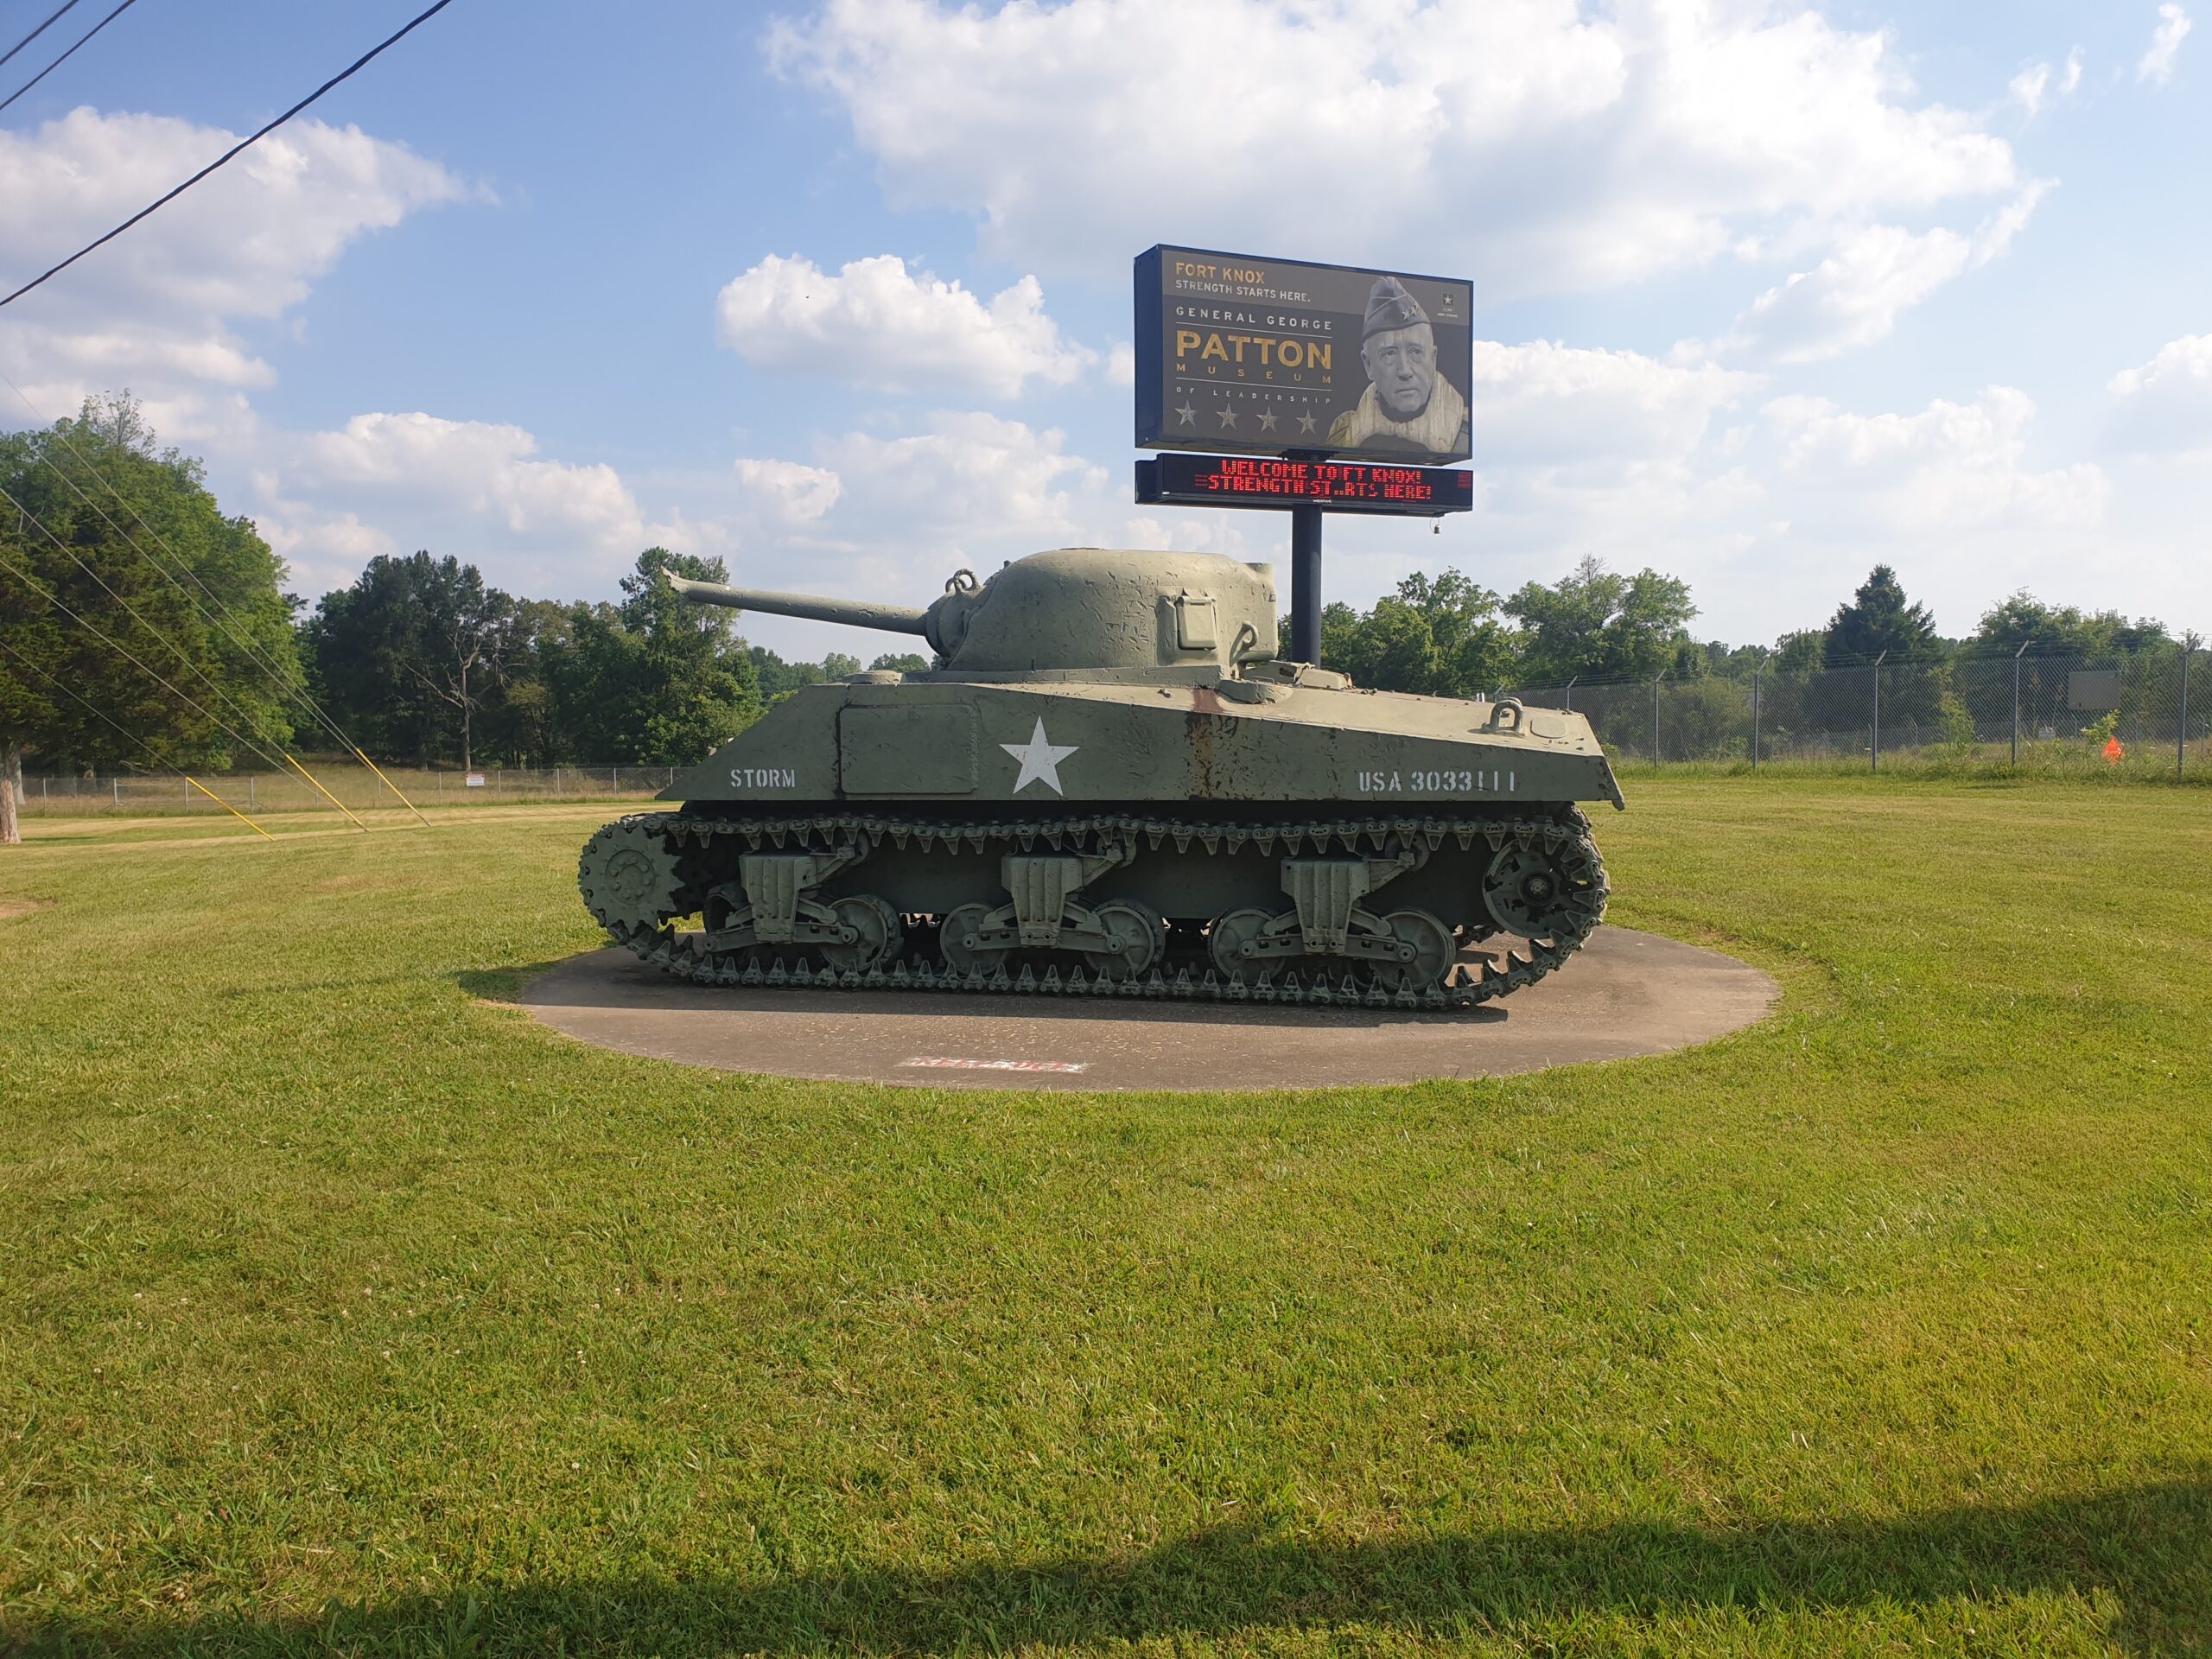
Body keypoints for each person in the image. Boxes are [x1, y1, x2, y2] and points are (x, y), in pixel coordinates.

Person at [1326, 276, 1469, 457]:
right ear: (1368, 364)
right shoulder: (1343, 436)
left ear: (1433, 359)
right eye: (1389, 354)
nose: (1405, 371)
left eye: (1416, 352)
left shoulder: (1464, 433)